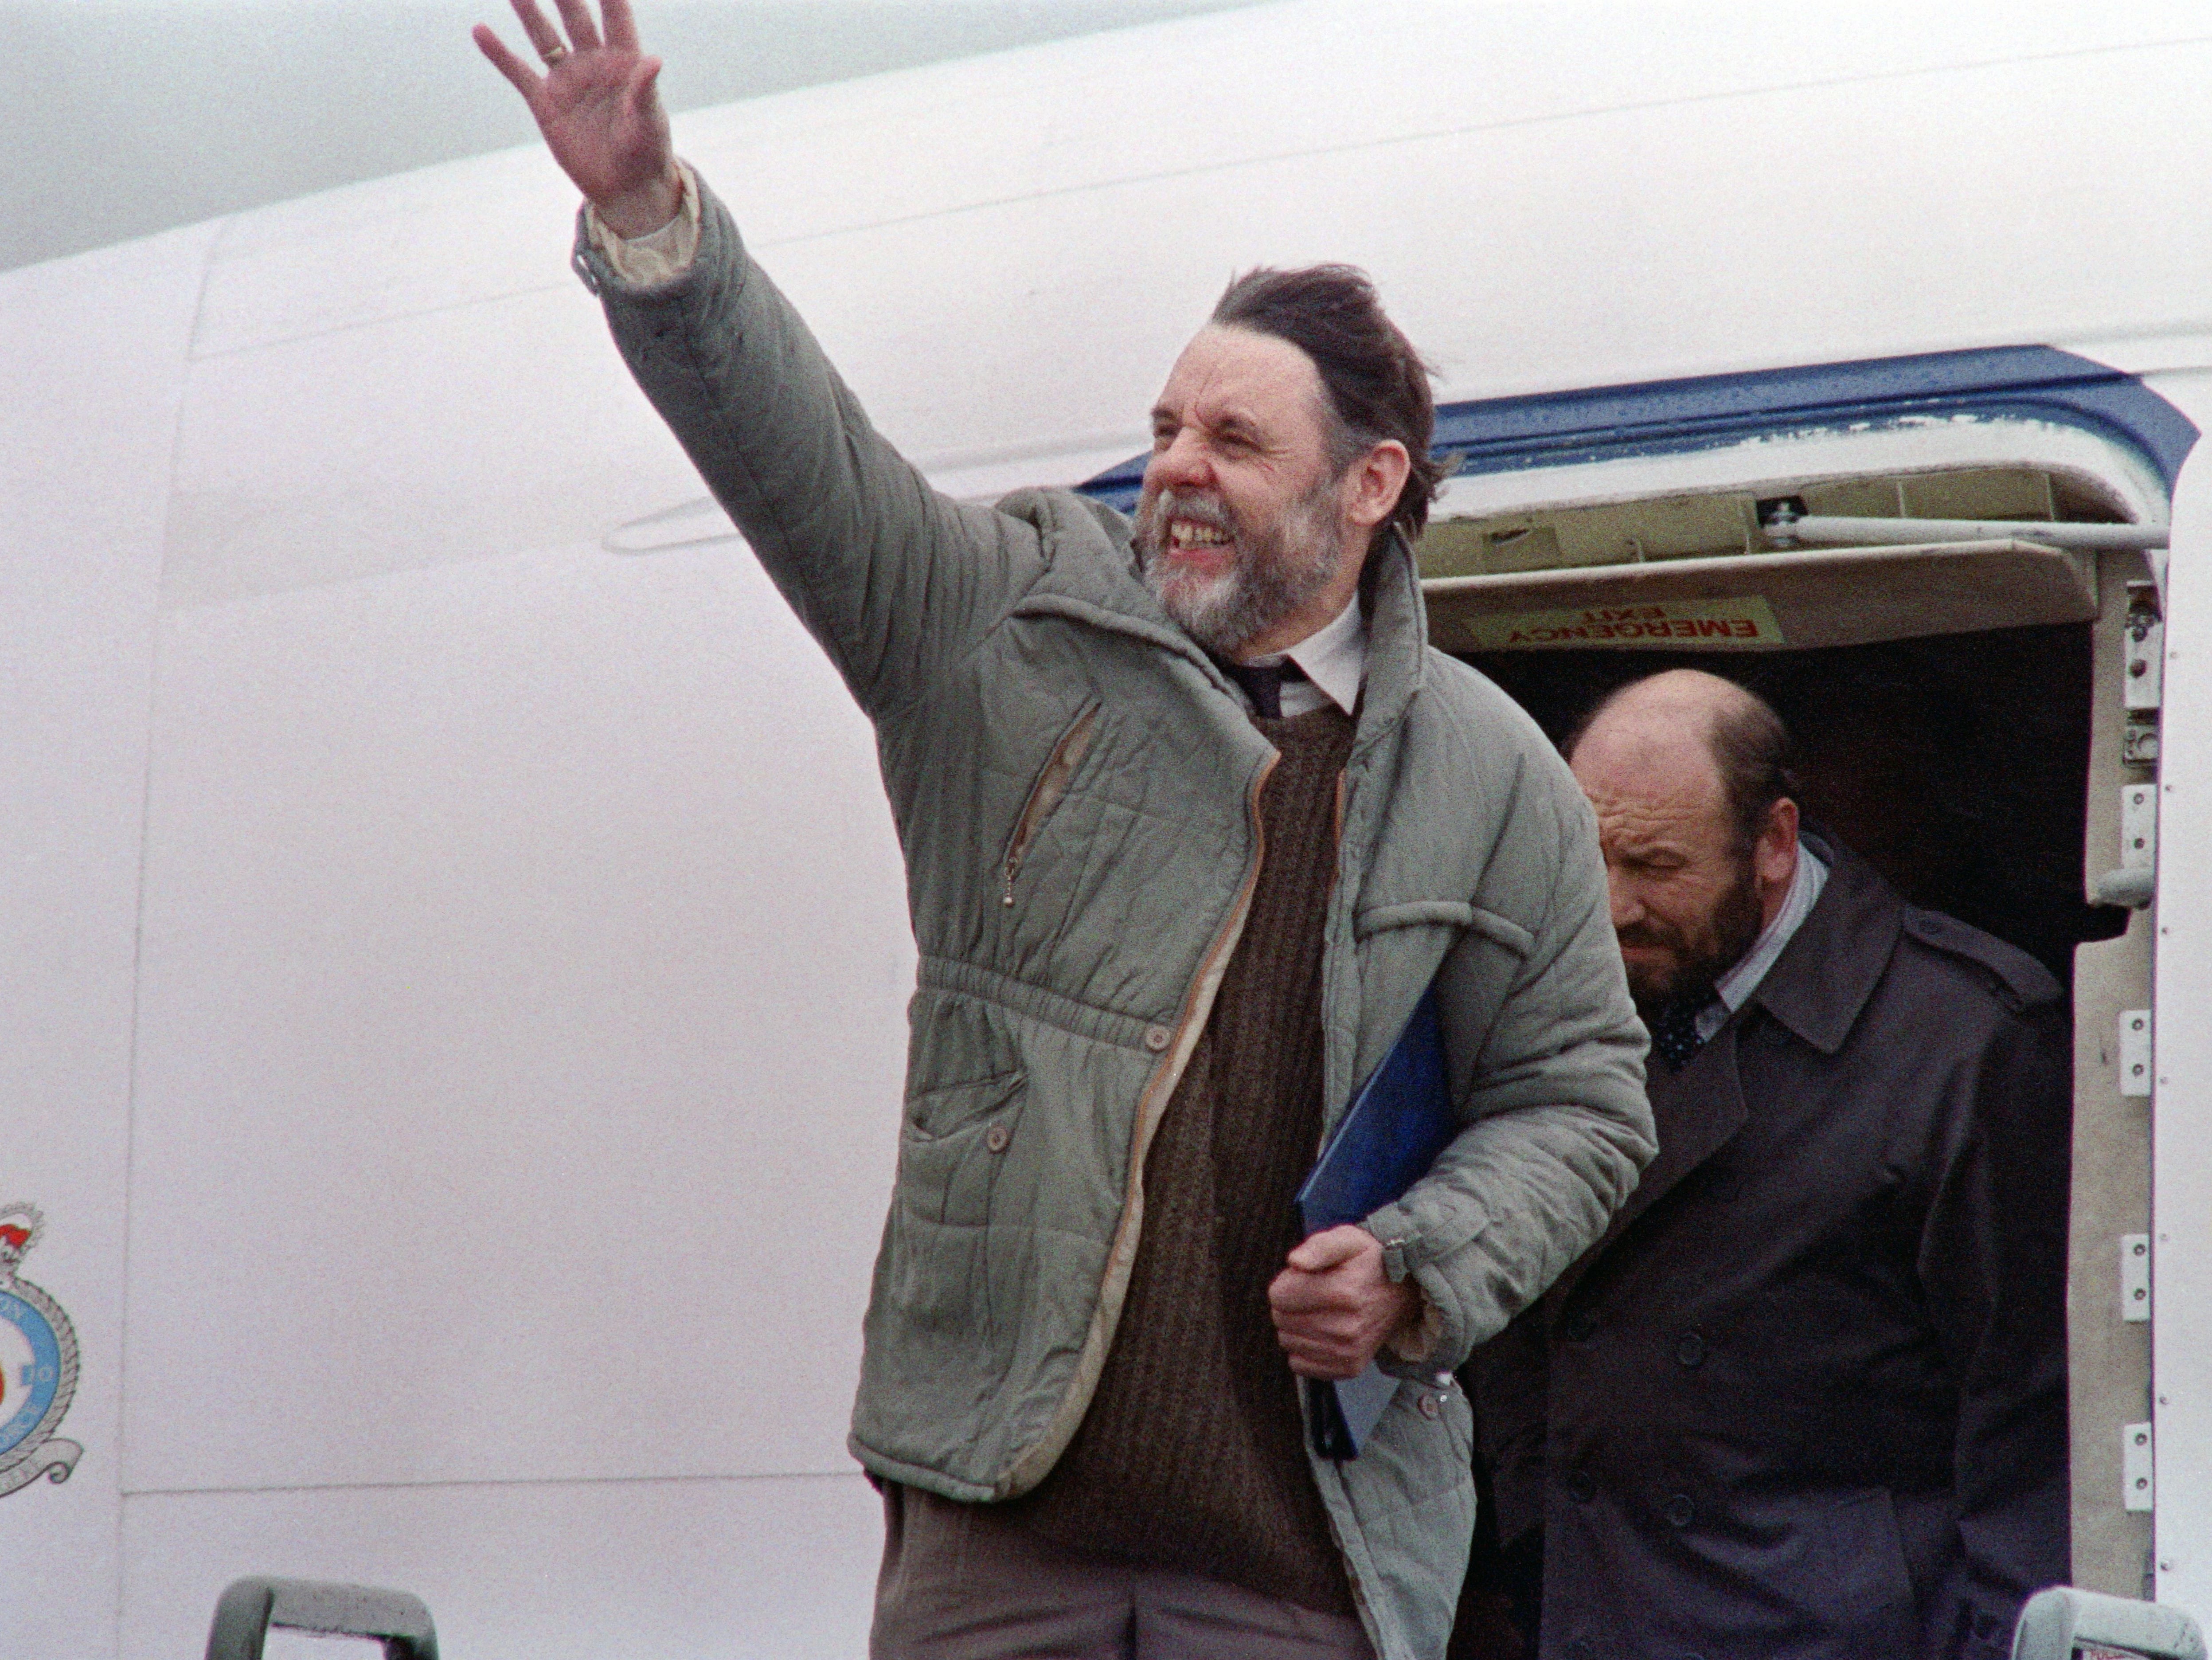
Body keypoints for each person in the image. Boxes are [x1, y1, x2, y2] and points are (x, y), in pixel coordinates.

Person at [473, 4, 1654, 1655]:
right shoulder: (1006, 623)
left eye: (1236, 441)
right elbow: (798, 461)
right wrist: (655, 229)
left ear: (1370, 486)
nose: (1175, 468)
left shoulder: (1495, 773)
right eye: (1168, 426)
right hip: (995, 1533)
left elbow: (1587, 1102)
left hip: (1304, 1563)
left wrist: (1416, 1267)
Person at [1462, 669, 2069, 1660]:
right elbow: (1513, 1306)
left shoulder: (1964, 1042)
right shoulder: (1547, 995)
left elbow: (2027, 1418)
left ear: (1773, 846)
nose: (1608, 907)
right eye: (1584, 857)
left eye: (1654, 865)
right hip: (1597, 1610)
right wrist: (1536, 1546)